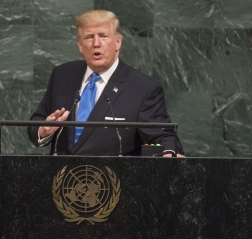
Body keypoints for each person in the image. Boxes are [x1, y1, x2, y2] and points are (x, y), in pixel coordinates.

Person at [28, 10, 184, 157]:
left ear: (118, 42)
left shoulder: (143, 88)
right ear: (80, 45)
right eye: (89, 37)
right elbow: (36, 124)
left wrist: (170, 153)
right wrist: (43, 130)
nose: (96, 43)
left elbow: (163, 135)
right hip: (61, 180)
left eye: (103, 36)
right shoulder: (62, 75)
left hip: (113, 181)